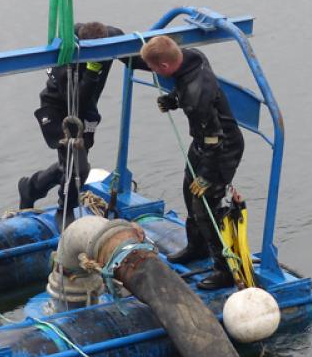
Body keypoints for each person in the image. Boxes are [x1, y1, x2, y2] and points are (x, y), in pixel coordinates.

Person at [129, 36, 245, 290]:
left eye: (153, 69)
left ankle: (224, 270)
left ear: (165, 67)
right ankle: (197, 246)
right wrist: (173, 99)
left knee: (204, 206)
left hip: (222, 148)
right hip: (203, 143)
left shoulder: (197, 97)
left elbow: (216, 138)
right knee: (187, 189)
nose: (151, 72)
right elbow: (184, 85)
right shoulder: (192, 57)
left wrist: (206, 175)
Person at [18, 21, 123, 224]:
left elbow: (132, 56)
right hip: (58, 110)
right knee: (79, 167)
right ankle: (64, 209)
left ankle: (30, 187)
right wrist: (92, 71)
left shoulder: (112, 36)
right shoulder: (66, 59)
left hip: (87, 109)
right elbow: (76, 99)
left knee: (72, 163)